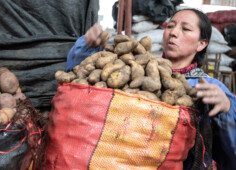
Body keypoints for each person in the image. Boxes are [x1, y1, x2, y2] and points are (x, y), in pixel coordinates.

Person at [66, 8, 236, 170]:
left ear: (201, 44)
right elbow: (78, 84)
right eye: (170, 26)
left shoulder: (209, 86)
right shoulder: (136, 69)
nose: (173, 32)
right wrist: (86, 48)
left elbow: (231, 152)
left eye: (185, 29)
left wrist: (227, 109)